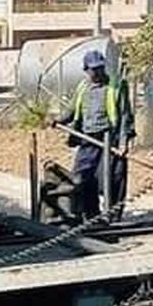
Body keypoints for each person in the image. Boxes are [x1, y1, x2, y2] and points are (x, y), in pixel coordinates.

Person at [57, 49, 132, 222]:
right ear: (86, 70)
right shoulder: (83, 88)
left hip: (110, 139)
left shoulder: (117, 86)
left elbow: (126, 115)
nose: (97, 72)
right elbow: (71, 110)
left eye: (100, 68)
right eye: (93, 69)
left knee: (114, 178)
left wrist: (123, 143)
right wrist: (58, 120)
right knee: (82, 177)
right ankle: (91, 215)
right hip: (88, 140)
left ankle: (113, 217)